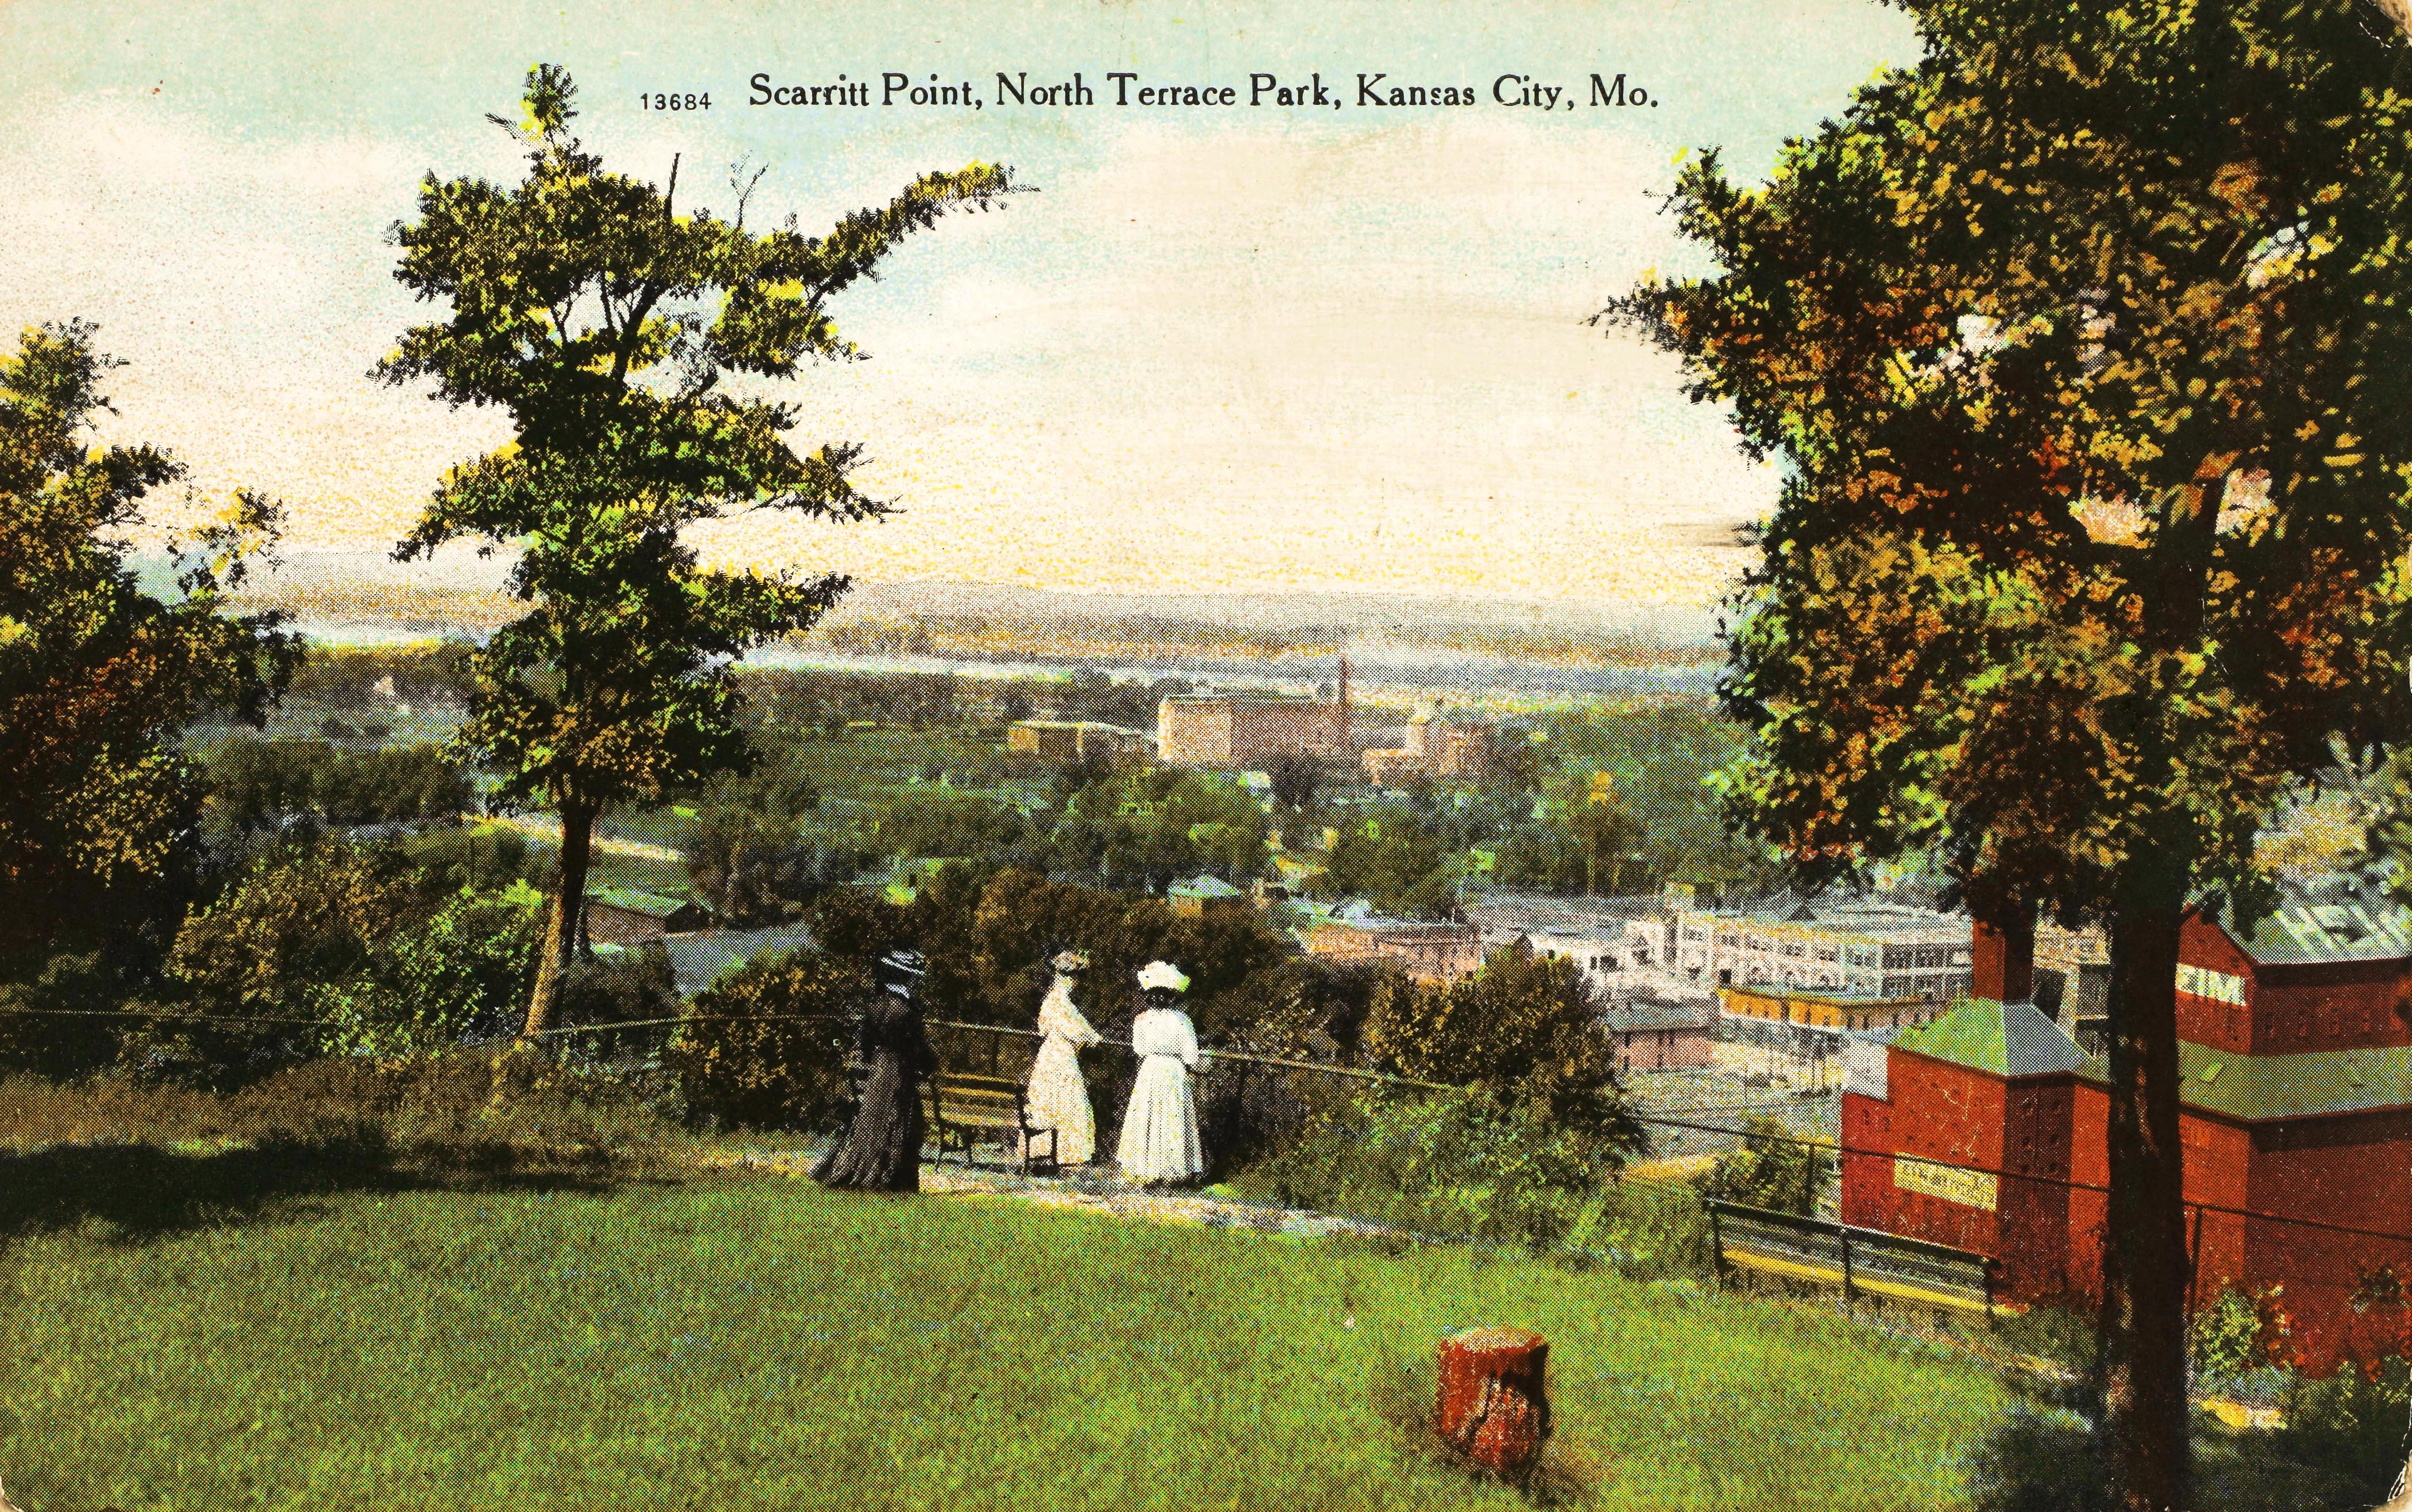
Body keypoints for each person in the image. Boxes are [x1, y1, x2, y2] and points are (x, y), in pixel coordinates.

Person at [812, 950, 936, 1192]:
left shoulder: (875, 1005)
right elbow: (918, 1049)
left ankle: (860, 1170)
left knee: (871, 1121)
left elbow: (866, 1045)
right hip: (899, 1071)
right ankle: (895, 1179)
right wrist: (929, 1065)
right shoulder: (908, 1011)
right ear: (906, 978)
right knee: (903, 1123)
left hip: (878, 1071)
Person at [1114, 960, 1205, 1185]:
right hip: (1173, 1071)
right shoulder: (1182, 1021)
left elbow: (1139, 1049)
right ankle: (1170, 1170)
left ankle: (1150, 1170)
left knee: (1151, 1115)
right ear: (1172, 996)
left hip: (1151, 1069)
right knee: (1170, 1116)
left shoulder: (1142, 1020)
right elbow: (1191, 1054)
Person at [1024, 948, 1102, 1167]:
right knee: (1057, 1097)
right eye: (1068, 976)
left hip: (1059, 1054)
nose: (1072, 982)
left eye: (1074, 977)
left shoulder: (1063, 1001)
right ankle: (1049, 1151)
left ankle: (1061, 1152)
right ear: (1060, 976)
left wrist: (1090, 1035)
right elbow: (1071, 1029)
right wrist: (1089, 1037)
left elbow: (1079, 1026)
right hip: (1058, 1054)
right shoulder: (1058, 1000)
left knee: (1065, 1098)